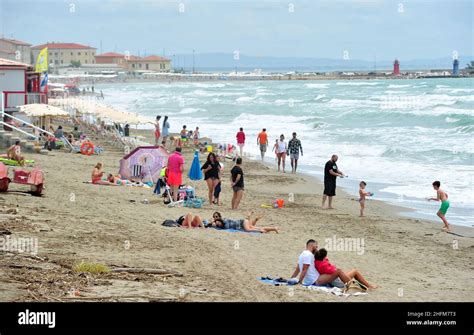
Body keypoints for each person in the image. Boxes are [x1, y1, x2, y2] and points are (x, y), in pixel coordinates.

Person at [210, 211, 278, 233]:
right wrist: (212, 222)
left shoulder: (224, 220)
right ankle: (274, 228)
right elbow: (213, 225)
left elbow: (217, 222)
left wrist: (214, 221)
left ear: (220, 216)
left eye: (216, 216)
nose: (216, 218)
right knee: (252, 226)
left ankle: (259, 229)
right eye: (214, 217)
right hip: (242, 224)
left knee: (248, 229)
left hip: (242, 222)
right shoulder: (219, 225)